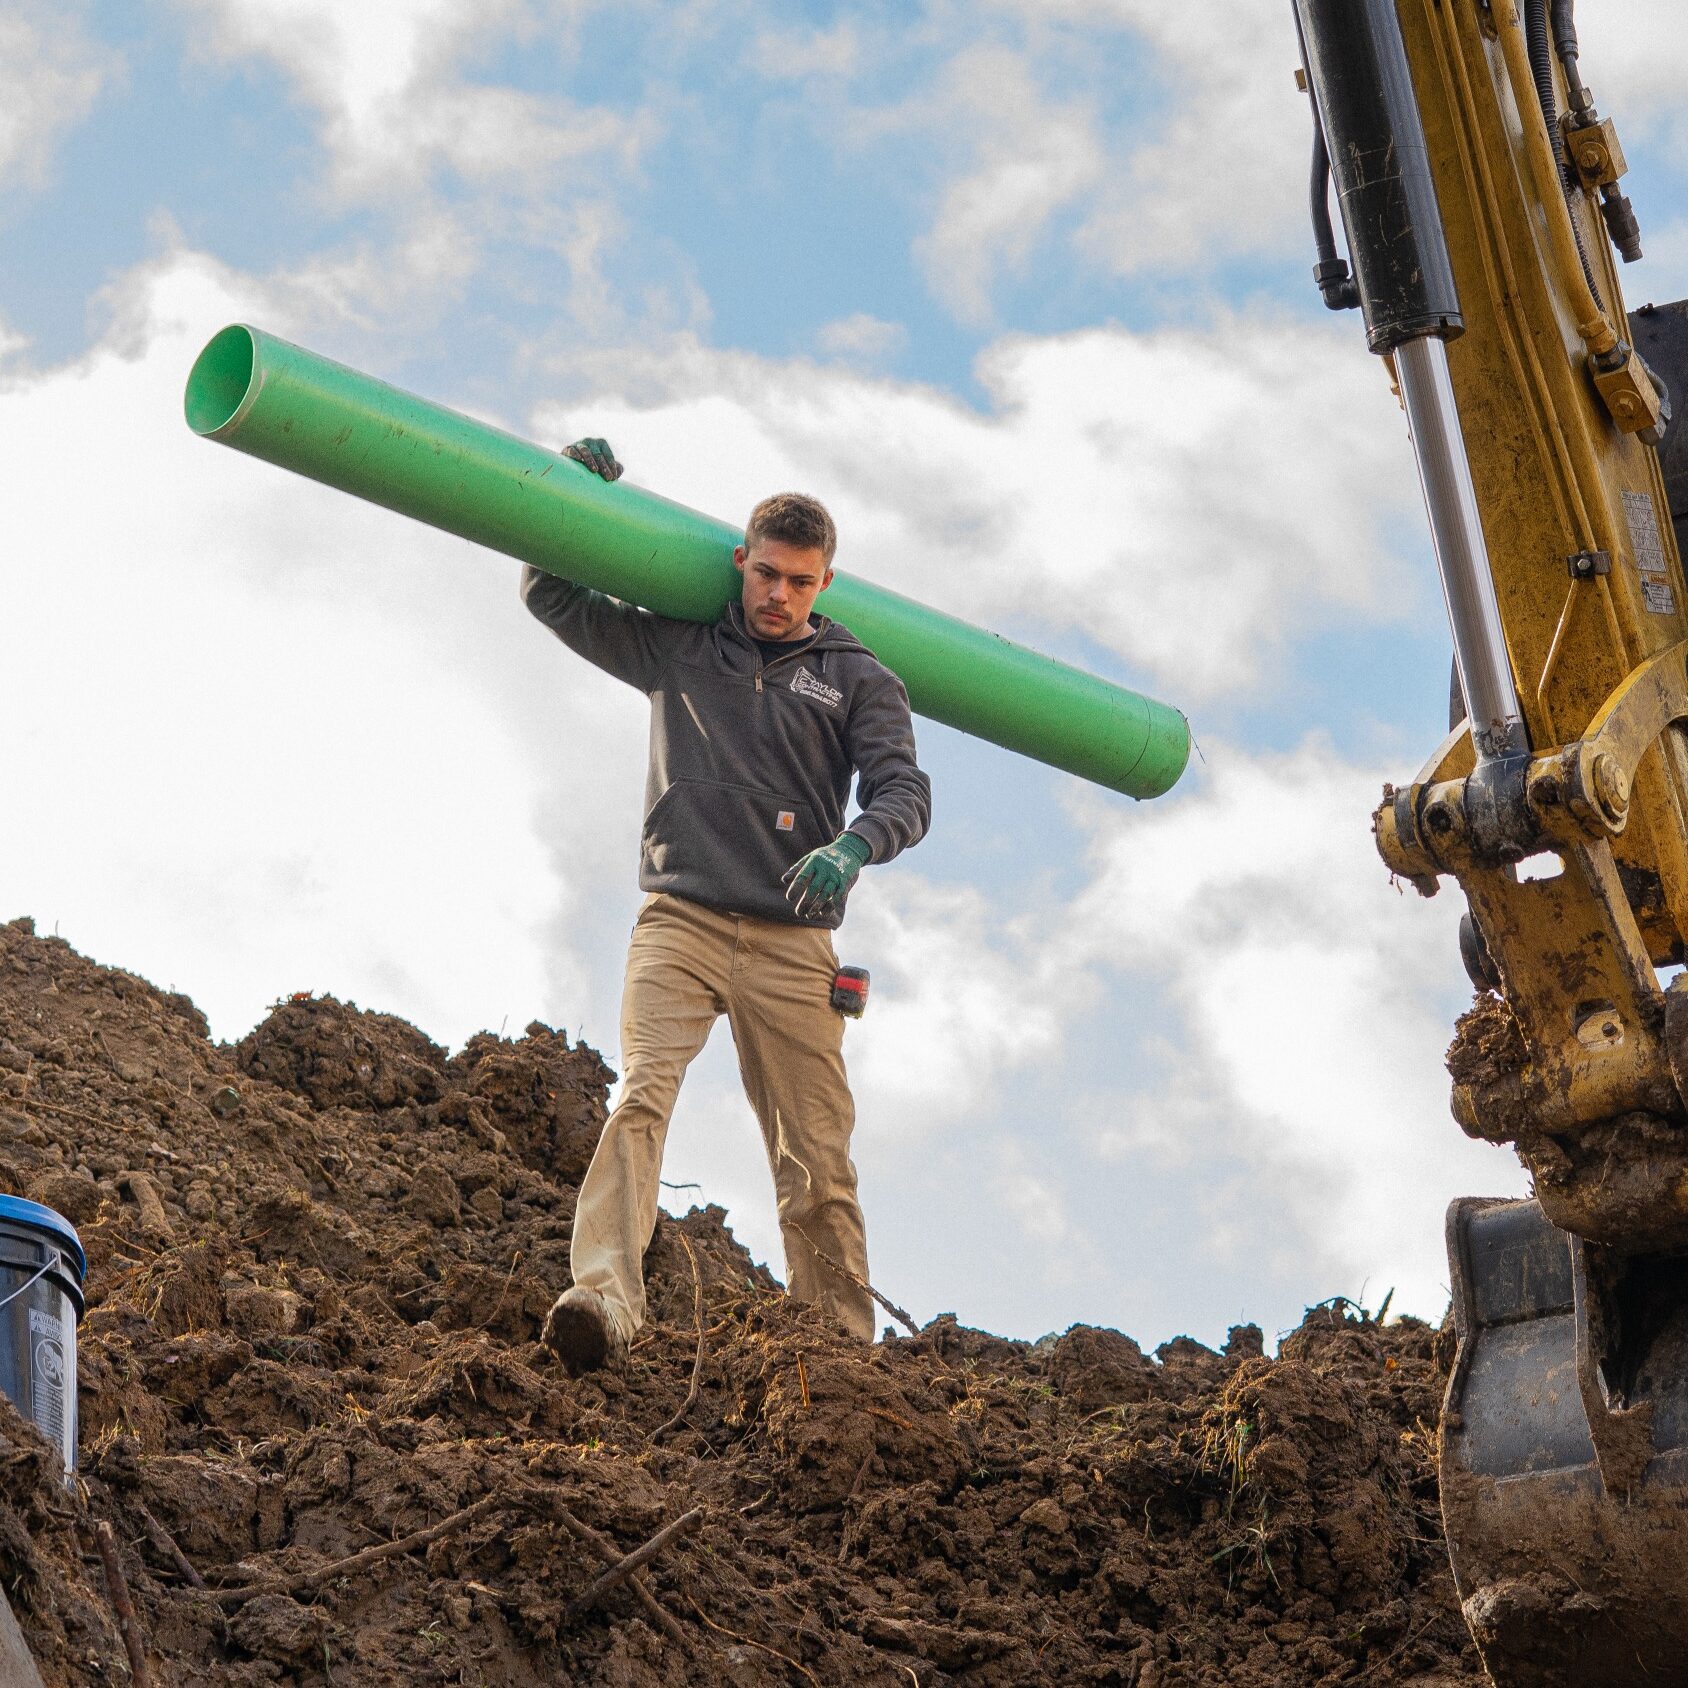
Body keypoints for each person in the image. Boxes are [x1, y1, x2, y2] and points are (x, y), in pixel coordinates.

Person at [521, 438, 931, 1375]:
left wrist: (853, 846)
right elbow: (554, 597)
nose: (779, 595)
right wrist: (569, 491)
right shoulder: (684, 646)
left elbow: (906, 791)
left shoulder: (859, 679)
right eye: (766, 574)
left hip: (793, 944)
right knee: (640, 1098)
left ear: (826, 583)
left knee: (816, 1154)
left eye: (800, 582)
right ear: (742, 561)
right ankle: (604, 1302)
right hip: (681, 918)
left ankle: (837, 1355)